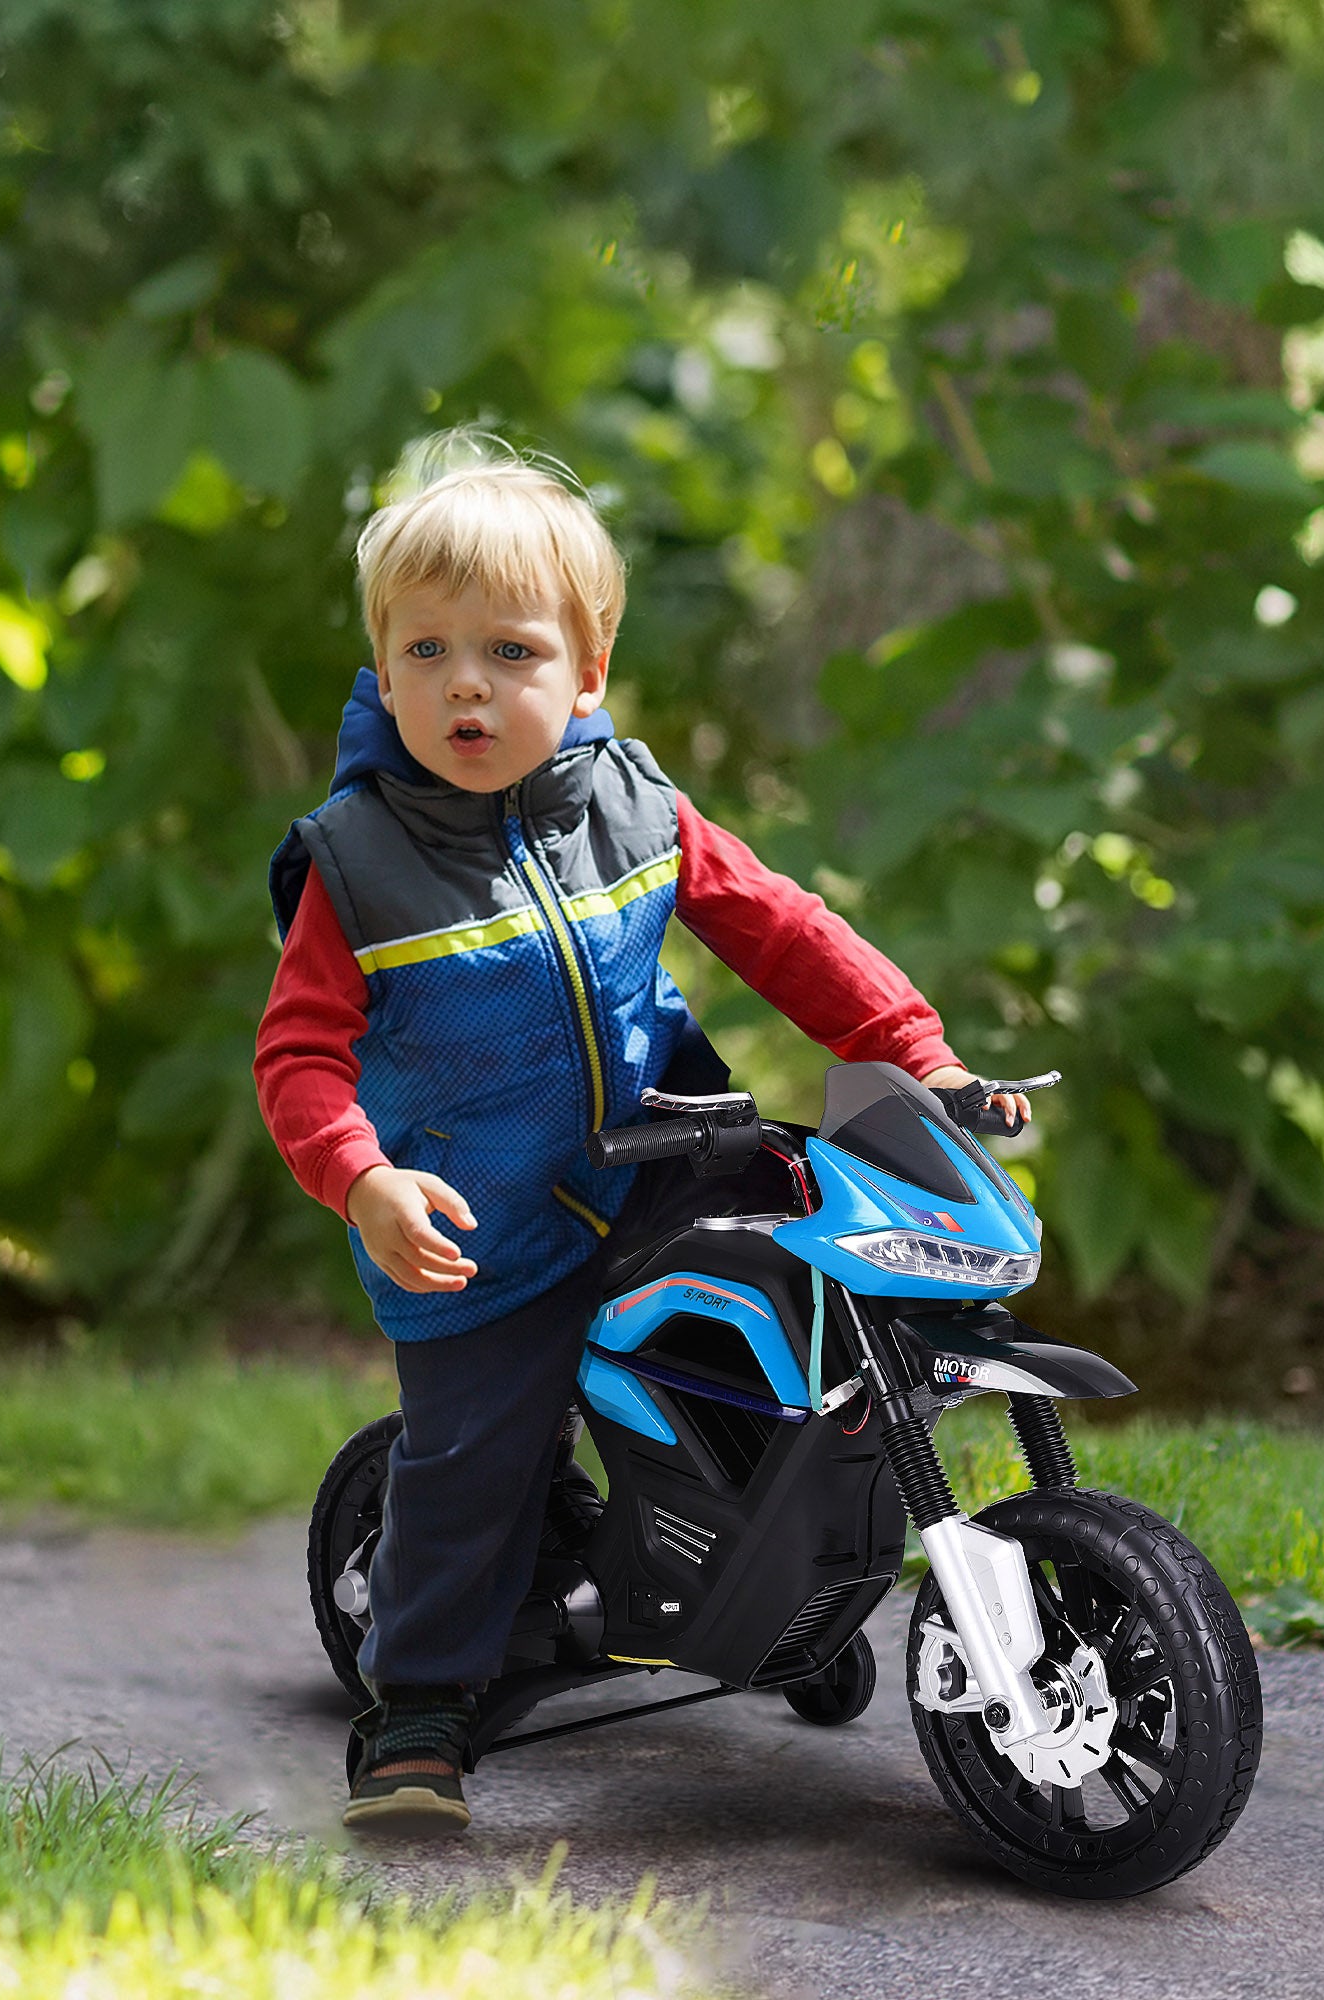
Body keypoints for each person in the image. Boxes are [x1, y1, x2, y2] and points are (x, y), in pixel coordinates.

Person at [254, 431, 1030, 1832]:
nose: (467, 685)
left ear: (589, 667)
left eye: (511, 651)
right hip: (484, 1223)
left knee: (806, 1352)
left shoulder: (635, 806)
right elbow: (300, 1056)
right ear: (381, 666)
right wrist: (362, 1179)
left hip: (673, 1158)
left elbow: (787, 933)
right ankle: (420, 1704)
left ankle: (773, 1590)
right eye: (425, 653)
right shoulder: (358, 862)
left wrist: (919, 1057)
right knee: (479, 1448)